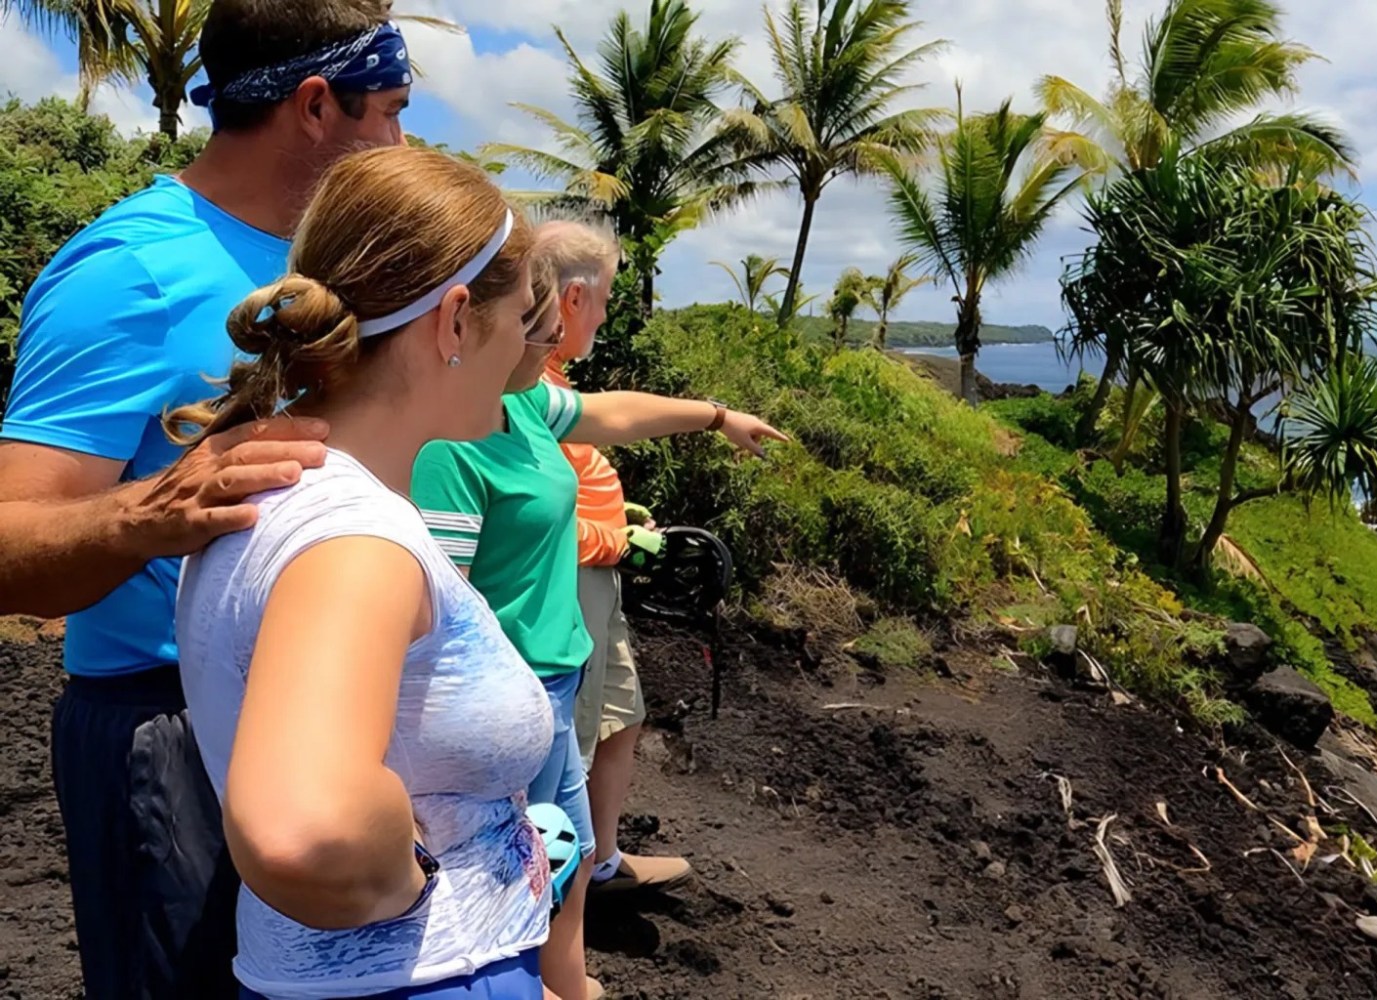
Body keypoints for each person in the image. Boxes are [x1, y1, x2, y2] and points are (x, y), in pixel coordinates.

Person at [0, 2, 413, 995]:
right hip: (173, 729)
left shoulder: (335, 265)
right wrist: (146, 512)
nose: (404, 142)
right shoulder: (131, 271)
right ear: (318, 105)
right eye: (392, 111)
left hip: (340, 718)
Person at [172, 145, 556, 1000]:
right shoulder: (356, 541)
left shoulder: (281, 487)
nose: (532, 357)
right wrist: (417, 877)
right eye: (525, 319)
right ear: (455, 321)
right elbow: (307, 830)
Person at [412, 269, 787, 1000]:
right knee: (507, 873)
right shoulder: (449, 448)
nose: (553, 337)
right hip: (502, 703)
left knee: (573, 856)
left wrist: (715, 417)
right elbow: (435, 613)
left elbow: (607, 413)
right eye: (537, 322)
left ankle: (571, 984)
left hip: (556, 681)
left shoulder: (518, 406)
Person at [530, 219, 691, 896]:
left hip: (597, 581)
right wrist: (620, 540)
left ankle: (599, 860)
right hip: (570, 587)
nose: (607, 312)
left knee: (619, 716)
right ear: (573, 299)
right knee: (574, 737)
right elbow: (529, 523)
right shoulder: (524, 381)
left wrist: (612, 517)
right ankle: (557, 900)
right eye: (606, 296)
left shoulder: (549, 374)